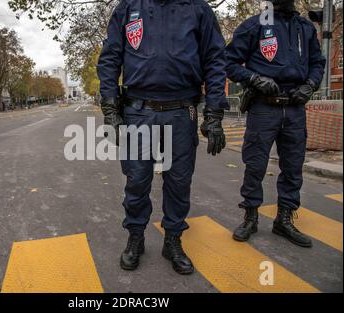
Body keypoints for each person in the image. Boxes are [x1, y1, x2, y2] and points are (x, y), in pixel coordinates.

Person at [97, 0, 228, 274]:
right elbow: (110, 59)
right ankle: (135, 237)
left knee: (179, 182)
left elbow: (215, 61)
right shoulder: (128, 8)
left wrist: (214, 113)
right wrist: (110, 109)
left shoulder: (198, 9)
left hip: (182, 111)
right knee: (137, 181)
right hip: (138, 111)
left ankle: (173, 240)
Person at [226, 0, 325, 247]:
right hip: (264, 107)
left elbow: (317, 63)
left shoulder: (305, 27)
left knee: (293, 166)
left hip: (294, 107)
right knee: (255, 165)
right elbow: (228, 61)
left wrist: (310, 85)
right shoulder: (254, 26)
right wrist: (254, 79)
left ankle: (284, 219)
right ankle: (250, 217)